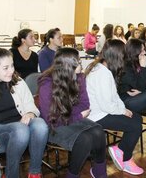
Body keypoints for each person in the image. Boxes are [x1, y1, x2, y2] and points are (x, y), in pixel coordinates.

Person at [0, 48, 48, 178]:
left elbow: (32, 107)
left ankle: (35, 172)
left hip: (20, 128)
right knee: (20, 129)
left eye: (12, 65)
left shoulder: (18, 82)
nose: (11, 71)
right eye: (5, 68)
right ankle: (12, 175)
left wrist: (30, 114)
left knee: (40, 124)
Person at [38, 48, 107, 178]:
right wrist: (78, 115)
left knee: (98, 131)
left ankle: (100, 173)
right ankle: (72, 175)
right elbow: (52, 118)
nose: (81, 65)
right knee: (84, 139)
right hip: (53, 126)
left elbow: (85, 104)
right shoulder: (47, 84)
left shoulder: (79, 77)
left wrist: (69, 113)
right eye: (78, 62)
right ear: (68, 66)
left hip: (69, 118)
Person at [85, 39, 144, 175]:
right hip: (96, 116)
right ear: (116, 56)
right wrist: (122, 111)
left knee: (137, 118)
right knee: (135, 125)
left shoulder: (103, 68)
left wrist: (124, 109)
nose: (124, 58)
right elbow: (106, 105)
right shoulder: (101, 73)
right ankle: (125, 156)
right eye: (123, 55)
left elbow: (114, 96)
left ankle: (122, 151)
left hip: (103, 111)